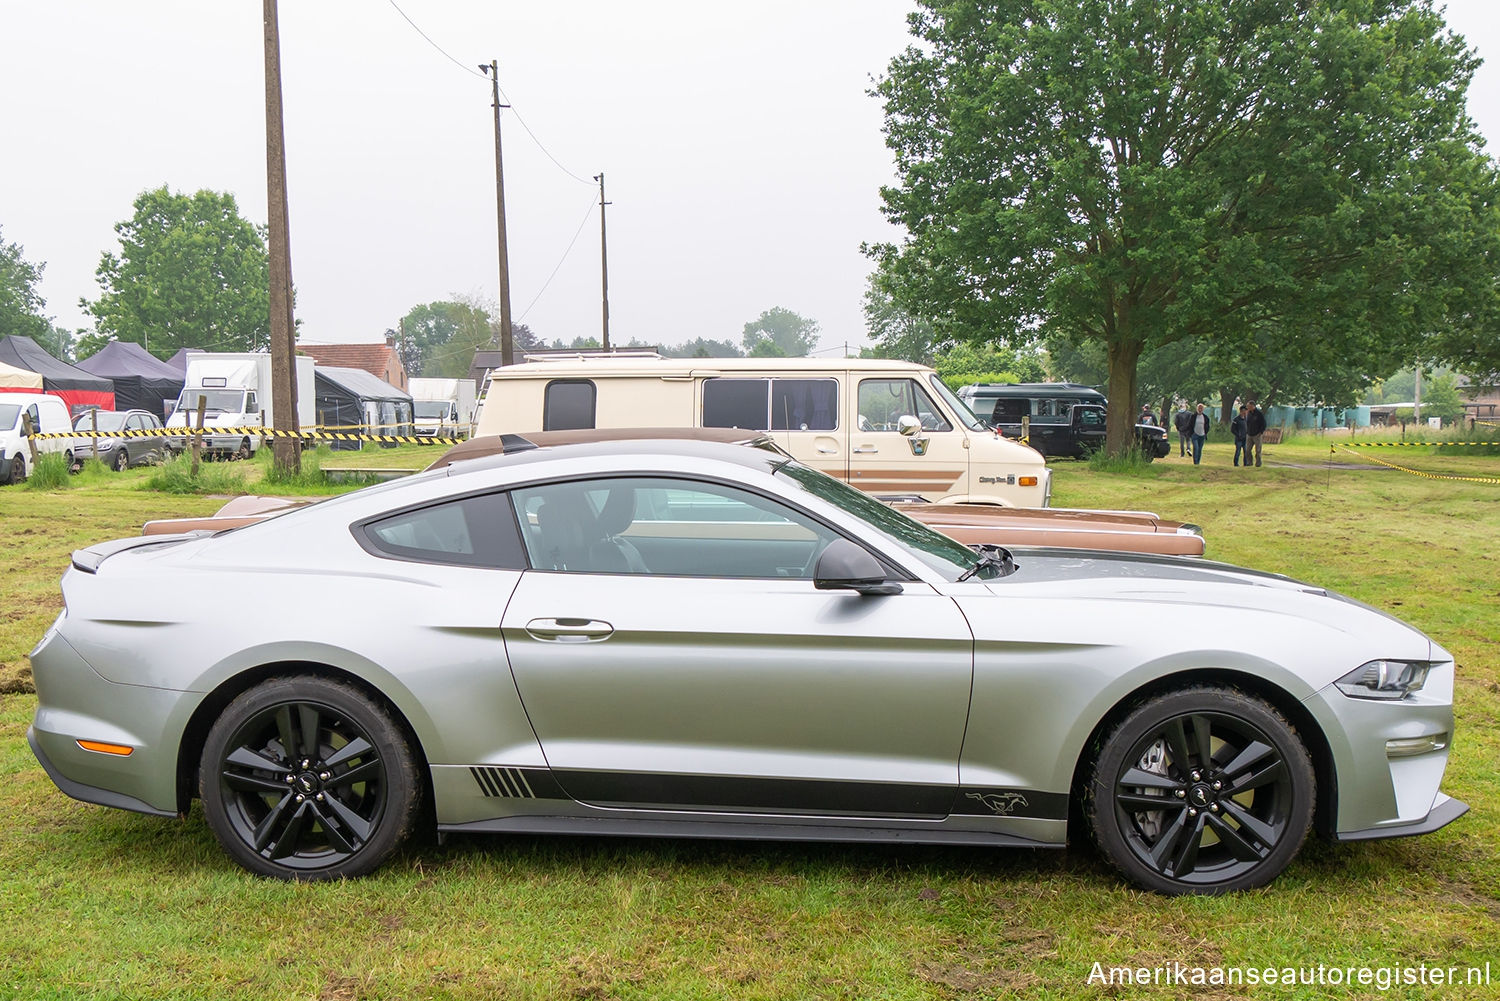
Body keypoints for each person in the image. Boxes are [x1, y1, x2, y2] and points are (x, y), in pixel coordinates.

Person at [1246, 401, 1267, 467]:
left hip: (1257, 435)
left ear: (1253, 406)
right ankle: (1249, 462)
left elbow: (1263, 423)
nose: (1247, 408)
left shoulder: (1259, 414)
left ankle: (1258, 463)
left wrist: (1261, 432)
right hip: (1249, 434)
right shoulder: (1248, 414)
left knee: (1258, 450)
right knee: (1247, 450)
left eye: (1249, 406)